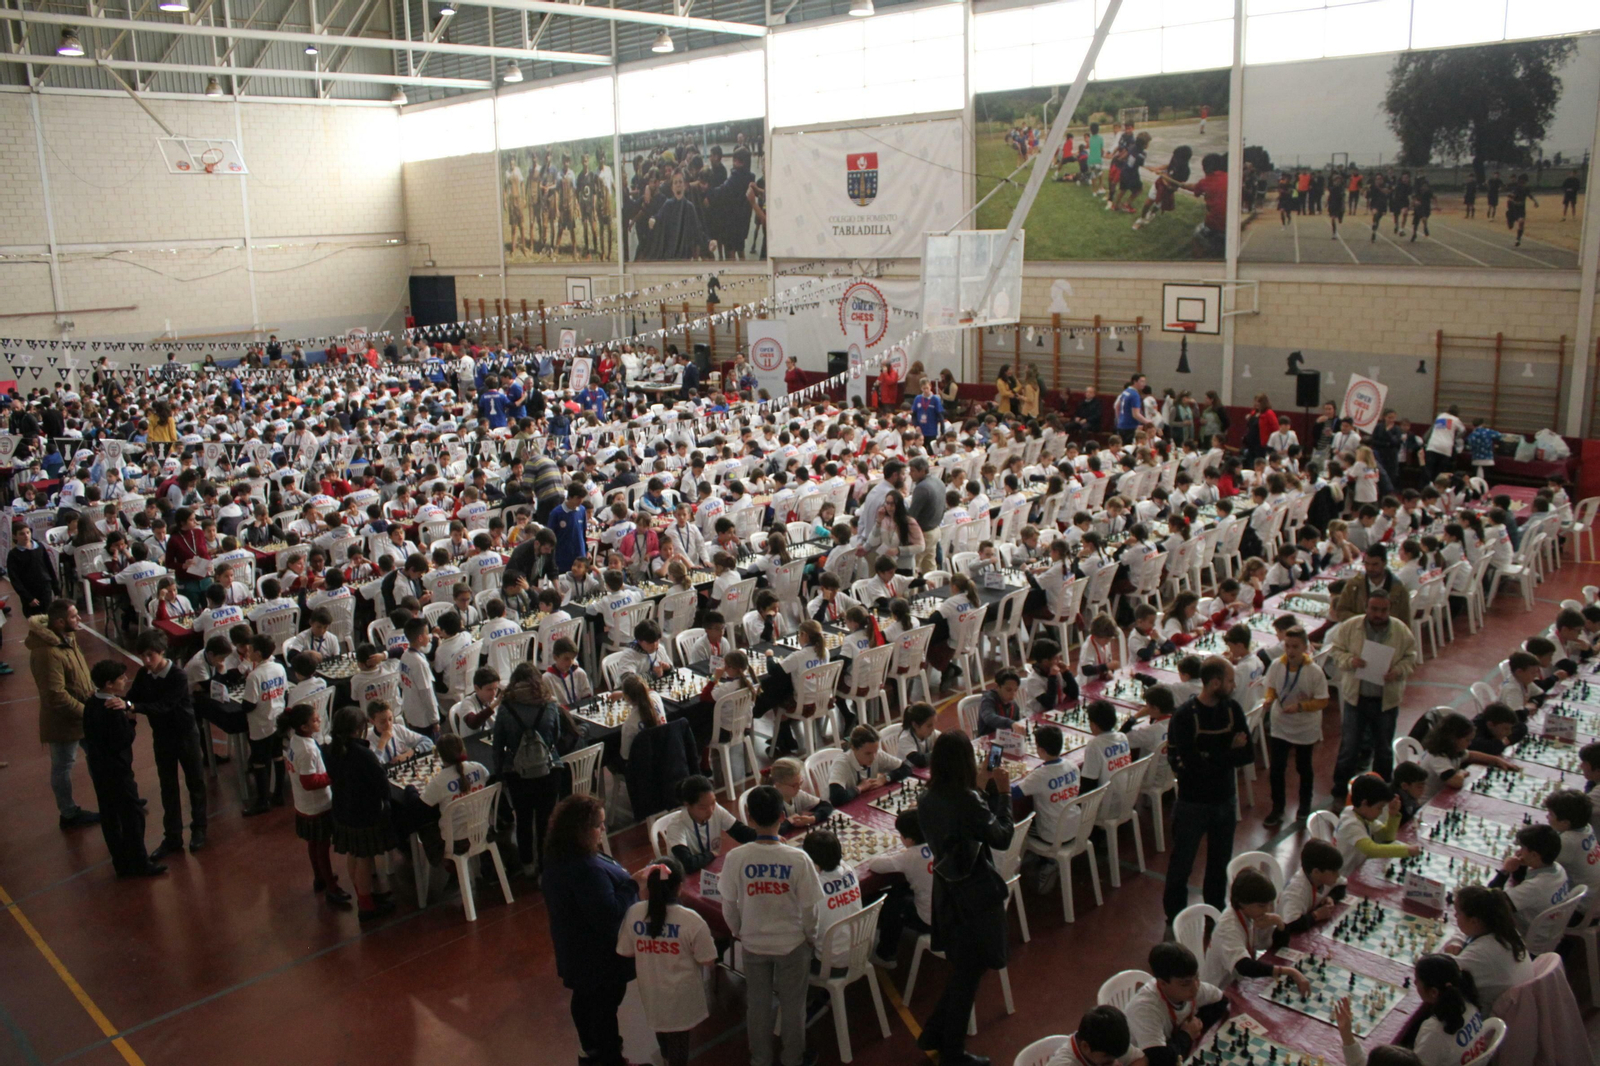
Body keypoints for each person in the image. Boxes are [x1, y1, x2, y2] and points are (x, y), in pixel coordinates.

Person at [914, 732, 1015, 1066]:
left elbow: (964, 825)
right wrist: (1002, 795)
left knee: (964, 970)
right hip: (975, 891)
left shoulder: (928, 799)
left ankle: (933, 1032)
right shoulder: (967, 799)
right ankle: (952, 1053)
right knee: (968, 976)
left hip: (948, 889)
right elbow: (1000, 837)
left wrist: (982, 789)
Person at [719, 785, 823, 1066]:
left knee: (758, 1006)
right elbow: (810, 907)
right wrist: (810, 937)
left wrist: (738, 930)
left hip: (753, 943)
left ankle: (761, 1059)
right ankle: (793, 1058)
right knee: (793, 1006)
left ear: (749, 818)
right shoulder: (798, 858)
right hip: (792, 944)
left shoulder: (736, 858)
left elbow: (727, 903)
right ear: (782, 814)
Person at [542, 794, 647, 1066]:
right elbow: (608, 915)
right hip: (598, 959)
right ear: (581, 830)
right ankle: (609, 1058)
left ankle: (591, 1052)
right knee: (603, 1011)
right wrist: (633, 885)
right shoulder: (586, 869)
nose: (604, 829)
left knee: (587, 1004)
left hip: (577, 953)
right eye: (599, 825)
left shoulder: (562, 856)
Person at [1163, 656, 1254, 924]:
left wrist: (1211, 756)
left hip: (1225, 800)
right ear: (1215, 683)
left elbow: (1247, 753)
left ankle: (1214, 913)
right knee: (1182, 865)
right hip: (1192, 803)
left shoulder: (1232, 709)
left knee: (1219, 863)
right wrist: (1228, 751)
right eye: (1229, 680)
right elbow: (1191, 766)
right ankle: (1175, 919)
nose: (1233, 684)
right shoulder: (1184, 716)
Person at [616, 857, 717, 1066]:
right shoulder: (691, 920)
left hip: (651, 991)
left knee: (661, 1030)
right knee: (679, 1042)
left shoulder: (634, 913)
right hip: (681, 995)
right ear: (680, 887)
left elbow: (625, 951)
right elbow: (707, 960)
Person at [1326, 589, 1417, 804]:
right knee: (1349, 747)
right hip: (1356, 698)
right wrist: (1350, 661)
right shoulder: (1350, 627)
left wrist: (1399, 671)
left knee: (1384, 749)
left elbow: (1411, 657)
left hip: (1386, 700)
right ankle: (1340, 791)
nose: (1378, 614)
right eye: (1374, 609)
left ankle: (1381, 793)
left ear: (1389, 609)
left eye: (1383, 610)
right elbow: (1336, 652)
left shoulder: (1401, 631)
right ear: (1367, 607)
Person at [81, 659, 163, 877]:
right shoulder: (113, 709)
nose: (125, 680)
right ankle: (140, 862)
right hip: (118, 770)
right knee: (132, 816)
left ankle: (121, 862)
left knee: (110, 816)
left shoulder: (92, 703)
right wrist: (132, 721)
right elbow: (123, 741)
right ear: (109, 684)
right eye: (120, 678)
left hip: (99, 768)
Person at [129, 628, 207, 858]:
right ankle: (172, 836)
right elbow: (133, 696)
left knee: (195, 783)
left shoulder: (178, 676)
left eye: (150, 655)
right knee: (168, 786)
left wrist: (134, 708)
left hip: (185, 735)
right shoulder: (144, 675)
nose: (146, 661)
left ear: (162, 652)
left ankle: (199, 829)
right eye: (142, 655)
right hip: (162, 737)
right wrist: (119, 702)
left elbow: (164, 706)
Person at [29, 598, 99, 830]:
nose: (79, 619)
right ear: (59, 622)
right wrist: (87, 712)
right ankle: (68, 813)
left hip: (83, 712)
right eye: (73, 616)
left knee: (99, 756)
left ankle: (110, 799)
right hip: (63, 721)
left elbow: (80, 674)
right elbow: (55, 695)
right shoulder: (48, 653)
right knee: (63, 766)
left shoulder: (67, 639)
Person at [323, 705, 398, 923]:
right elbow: (381, 782)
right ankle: (366, 905)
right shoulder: (362, 753)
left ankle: (363, 895)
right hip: (363, 813)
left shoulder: (330, 749)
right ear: (359, 729)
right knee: (364, 857)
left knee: (354, 854)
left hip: (342, 810)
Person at [493, 661, 567, 877]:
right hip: (549, 769)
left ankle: (527, 865)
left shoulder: (506, 707)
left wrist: (501, 774)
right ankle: (545, 868)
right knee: (545, 820)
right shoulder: (549, 703)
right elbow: (556, 736)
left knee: (523, 820)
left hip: (517, 773)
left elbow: (499, 744)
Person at [1261, 625, 1329, 827]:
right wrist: (1269, 699)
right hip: (1280, 724)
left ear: (1305, 647)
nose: (1290, 651)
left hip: (1304, 727)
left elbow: (1323, 700)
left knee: (1303, 767)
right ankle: (1277, 808)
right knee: (1277, 769)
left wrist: (1301, 707)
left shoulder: (1314, 671)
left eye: (1295, 647)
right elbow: (1271, 687)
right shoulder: (1276, 665)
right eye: (1287, 646)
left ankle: (1304, 806)